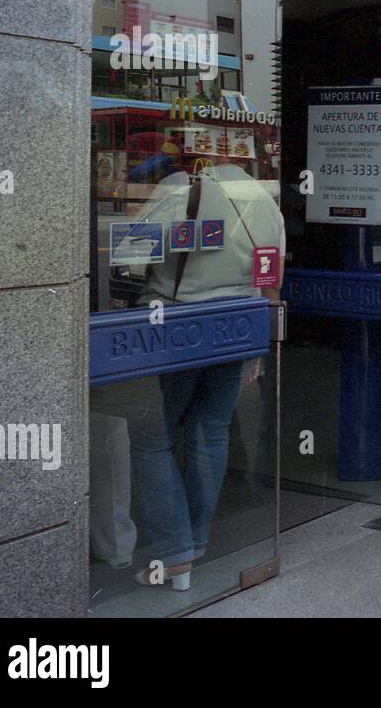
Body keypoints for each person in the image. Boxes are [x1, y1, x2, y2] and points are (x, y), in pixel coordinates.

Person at [127, 163, 285, 592]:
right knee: (209, 434)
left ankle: (176, 553)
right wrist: (259, 347)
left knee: (151, 440)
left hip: (174, 328)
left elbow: (133, 250)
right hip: (236, 327)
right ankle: (193, 545)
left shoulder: (177, 189)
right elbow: (271, 279)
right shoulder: (261, 200)